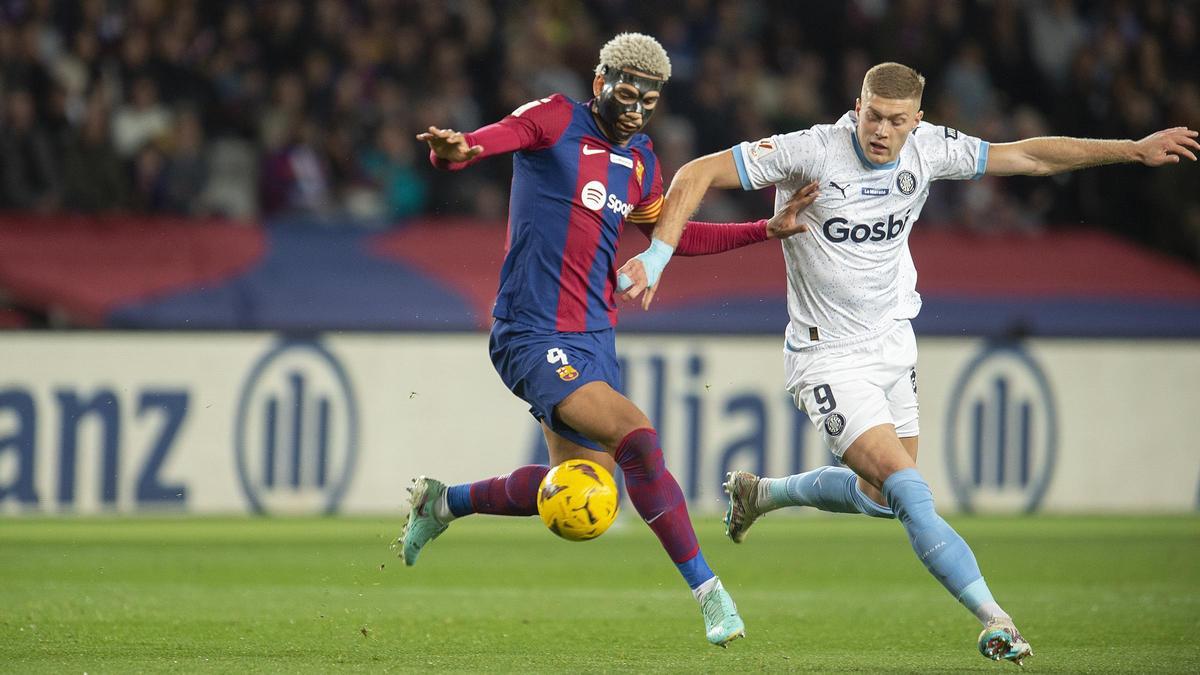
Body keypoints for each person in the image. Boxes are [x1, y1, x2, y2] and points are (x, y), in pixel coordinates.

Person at [618, 61, 1199, 664]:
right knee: (911, 493)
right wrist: (659, 255)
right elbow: (697, 171)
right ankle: (994, 619)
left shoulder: (930, 150)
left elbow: (1029, 157)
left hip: (894, 345)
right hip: (827, 357)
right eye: (872, 115)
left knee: (877, 496)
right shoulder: (810, 151)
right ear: (858, 105)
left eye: (897, 121)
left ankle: (761, 494)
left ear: (917, 120)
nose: (881, 131)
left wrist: (1131, 149)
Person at [396, 32, 819, 647]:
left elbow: (671, 234)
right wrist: (457, 150)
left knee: (583, 493)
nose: (636, 107)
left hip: (595, 336)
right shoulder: (555, 119)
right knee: (640, 442)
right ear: (600, 83)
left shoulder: (643, 160)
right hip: (531, 331)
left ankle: (443, 503)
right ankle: (710, 592)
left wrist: (765, 228)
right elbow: (483, 144)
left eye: (648, 99)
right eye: (626, 92)